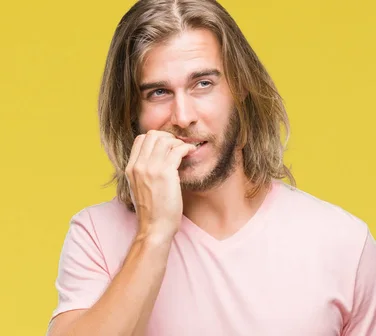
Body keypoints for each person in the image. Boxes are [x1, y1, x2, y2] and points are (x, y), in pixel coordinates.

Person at [46, 0, 376, 335]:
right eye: (158, 92)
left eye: (203, 83)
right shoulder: (96, 235)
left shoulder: (342, 242)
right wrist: (153, 234)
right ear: (133, 114)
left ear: (241, 89)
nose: (183, 116)